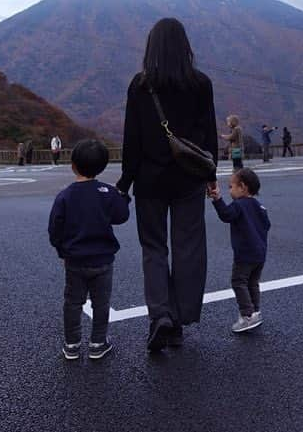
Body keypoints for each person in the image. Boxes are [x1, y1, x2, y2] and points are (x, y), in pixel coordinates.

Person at [117, 18, 218, 352]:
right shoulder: (200, 84)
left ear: (152, 47)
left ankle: (160, 315)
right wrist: (210, 176)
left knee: (154, 248)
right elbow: (210, 135)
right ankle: (180, 318)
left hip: (149, 180)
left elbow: (131, 138)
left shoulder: (141, 85)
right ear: (184, 46)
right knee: (188, 248)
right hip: (188, 177)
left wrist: (125, 181)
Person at [48, 139, 131, 360]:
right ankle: (98, 343)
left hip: (75, 261)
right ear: (102, 167)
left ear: (73, 165)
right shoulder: (107, 192)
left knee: (73, 302)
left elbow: (54, 228)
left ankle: (72, 344)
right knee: (101, 303)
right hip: (103, 260)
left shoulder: (65, 196)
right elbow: (121, 216)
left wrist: (62, 251)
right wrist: (123, 196)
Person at [208, 167, 270, 333]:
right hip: (260, 254)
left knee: (238, 281)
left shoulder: (239, 205)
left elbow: (226, 215)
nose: (230, 190)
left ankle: (247, 315)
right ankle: (255, 311)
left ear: (243, 187)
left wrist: (217, 199)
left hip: (245, 254)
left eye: (231, 187)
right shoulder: (259, 206)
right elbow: (267, 225)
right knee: (252, 282)